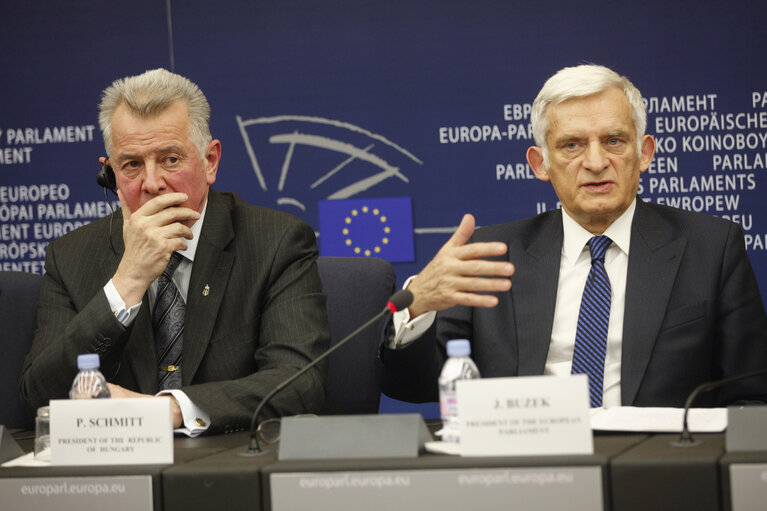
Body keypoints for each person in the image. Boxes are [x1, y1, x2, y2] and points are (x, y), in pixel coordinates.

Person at [382, 64, 767, 407]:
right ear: (541, 164)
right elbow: (413, 388)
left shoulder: (711, 248)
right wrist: (419, 306)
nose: (597, 163)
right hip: (525, 464)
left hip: (658, 466)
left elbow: (751, 394)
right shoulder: (493, 255)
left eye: (614, 141)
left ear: (645, 153)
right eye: (572, 145)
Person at [20, 69, 330, 435]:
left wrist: (169, 410)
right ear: (110, 173)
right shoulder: (70, 256)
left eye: (170, 159)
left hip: (228, 465)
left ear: (210, 161)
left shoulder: (276, 241)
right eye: (132, 164)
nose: (151, 184)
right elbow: (40, 398)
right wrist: (127, 283)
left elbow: (299, 383)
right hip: (112, 468)